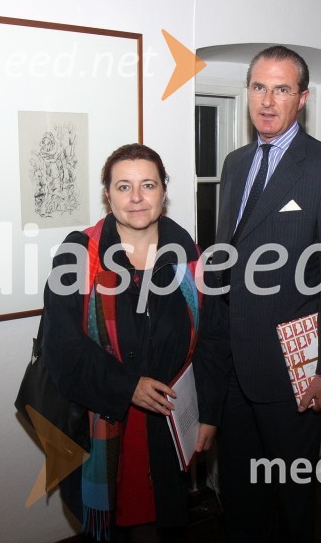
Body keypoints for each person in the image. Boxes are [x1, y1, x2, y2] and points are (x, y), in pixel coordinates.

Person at [41, 143, 231, 541]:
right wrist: (128, 386)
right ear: (107, 194)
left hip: (171, 422)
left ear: (164, 191)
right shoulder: (80, 252)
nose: (137, 198)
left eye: (148, 185)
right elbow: (61, 345)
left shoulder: (190, 255)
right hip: (105, 420)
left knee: (162, 524)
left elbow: (213, 337)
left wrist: (210, 413)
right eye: (123, 187)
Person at [212, 45, 321, 542]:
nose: (268, 101)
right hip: (232, 364)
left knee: (291, 499)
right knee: (240, 493)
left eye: (281, 89)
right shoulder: (234, 164)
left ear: (303, 98)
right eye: (259, 87)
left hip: (290, 370)